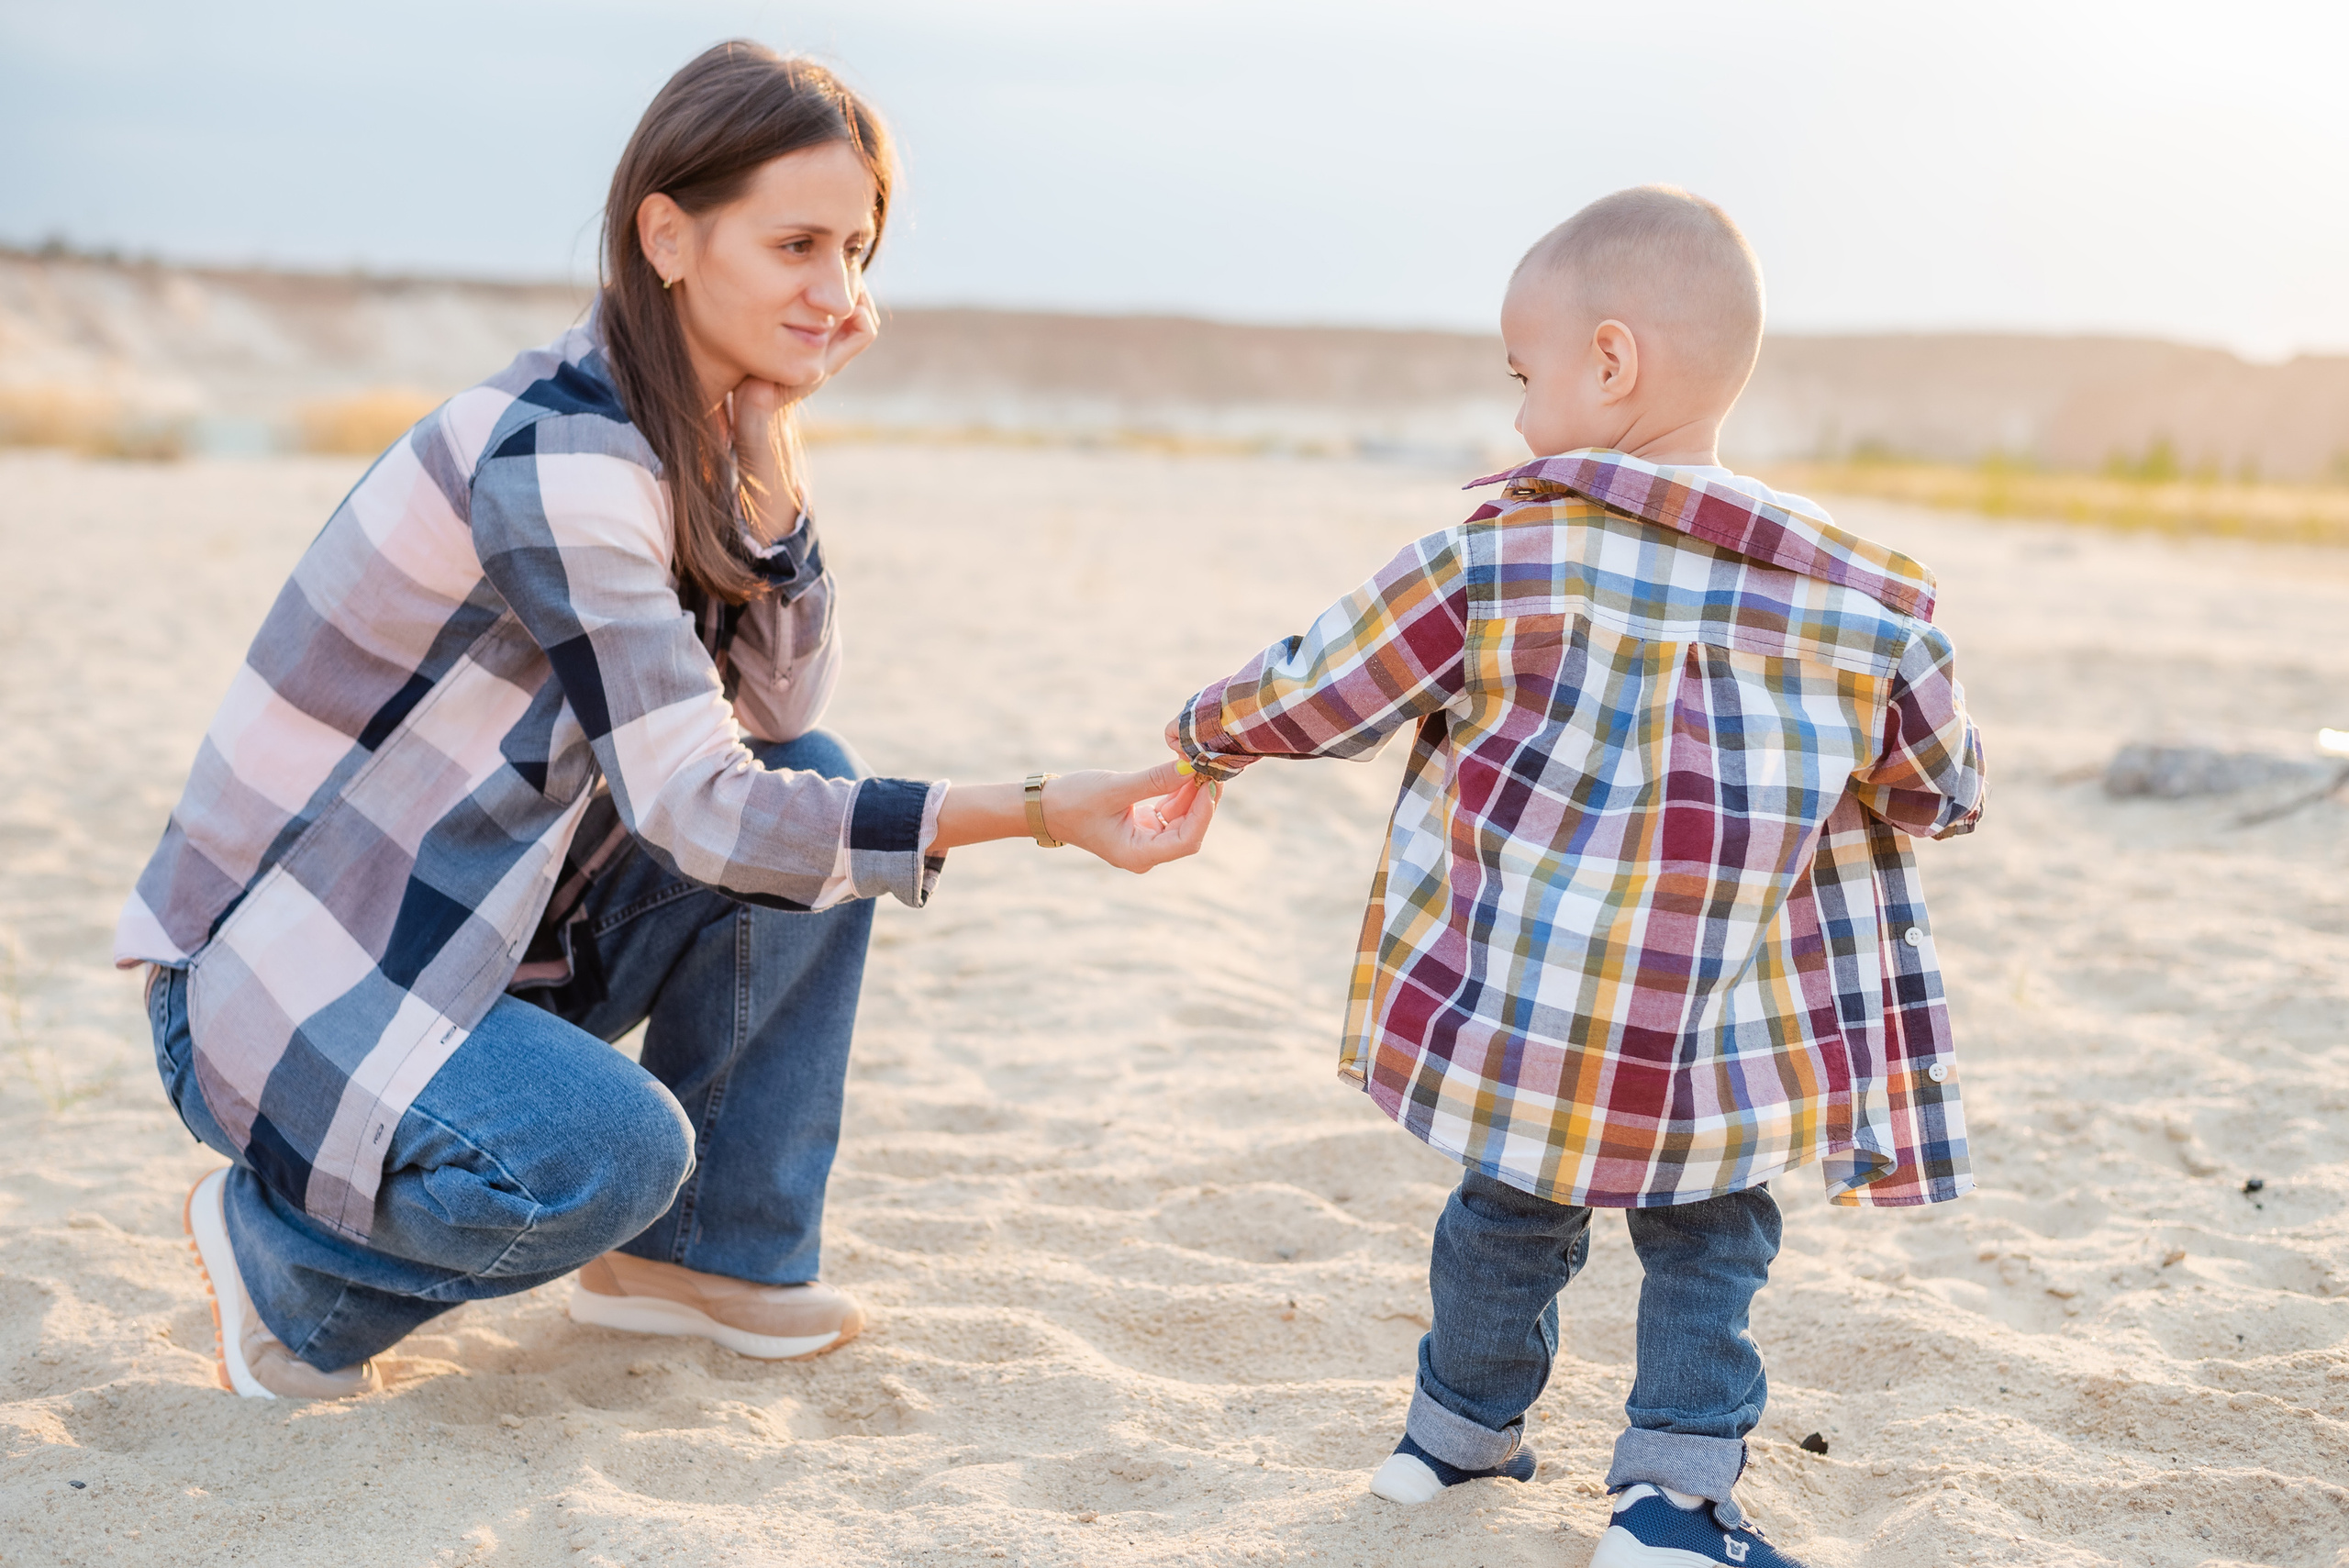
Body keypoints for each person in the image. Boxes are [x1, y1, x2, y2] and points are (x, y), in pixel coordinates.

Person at [118, 41, 1216, 1403]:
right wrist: (1037, 811)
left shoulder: (670, 427)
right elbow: (700, 805)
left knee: (816, 774)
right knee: (607, 1155)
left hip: (472, 930)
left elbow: (776, 713)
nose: (840, 293)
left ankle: (705, 1259)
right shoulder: (562, 456)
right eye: (798, 243)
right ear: (669, 234)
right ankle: (278, 1254)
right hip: (292, 982)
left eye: (858, 251)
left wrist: (769, 447)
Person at [1165, 186, 1986, 1566]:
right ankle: (1671, 1495)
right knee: (1713, 1240)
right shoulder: (1856, 599)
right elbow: (1942, 784)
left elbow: (1324, 683)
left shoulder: (1497, 555)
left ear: (1610, 362)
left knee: (1504, 1210)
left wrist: (1204, 736)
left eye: (1522, 375)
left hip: (1533, 1009)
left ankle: (1450, 1441)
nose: (1517, 414)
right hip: (1722, 1027)